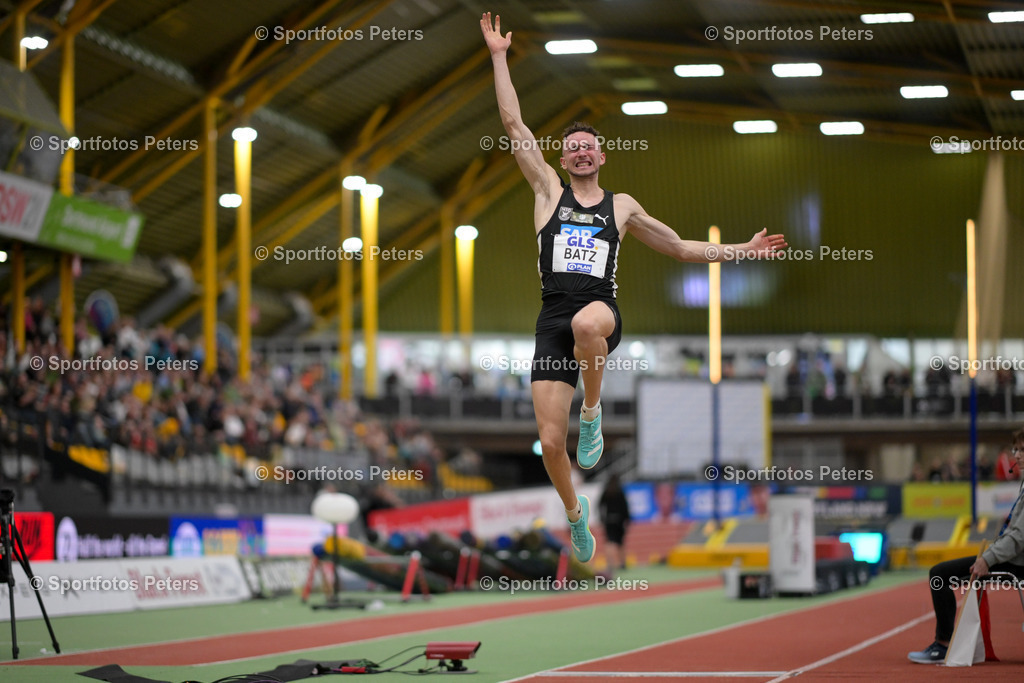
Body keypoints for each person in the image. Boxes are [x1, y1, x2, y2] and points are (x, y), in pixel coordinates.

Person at [480, 13, 788, 563]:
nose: (579, 153)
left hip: (599, 311)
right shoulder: (547, 191)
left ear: (601, 156)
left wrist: (744, 249)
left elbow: (681, 249)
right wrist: (500, 56)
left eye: (588, 148)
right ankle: (576, 516)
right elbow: (512, 123)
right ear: (562, 157)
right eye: (571, 146)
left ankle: (593, 413)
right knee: (552, 443)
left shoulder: (621, 207)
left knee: (585, 324)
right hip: (551, 318)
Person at [908, 429, 1024, 663]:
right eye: (1016, 450)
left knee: (939, 574)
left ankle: (943, 645)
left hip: (1015, 563)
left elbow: (1018, 538)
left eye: (1022, 450)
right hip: (1013, 559)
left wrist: (987, 559)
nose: (1017, 456)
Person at [599, 474, 631, 570]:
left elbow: (600, 505)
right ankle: (622, 563)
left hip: (609, 520)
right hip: (619, 520)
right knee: (620, 542)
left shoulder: (606, 492)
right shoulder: (620, 492)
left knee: (609, 542)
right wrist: (627, 519)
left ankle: (610, 563)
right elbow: (625, 507)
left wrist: (602, 518)